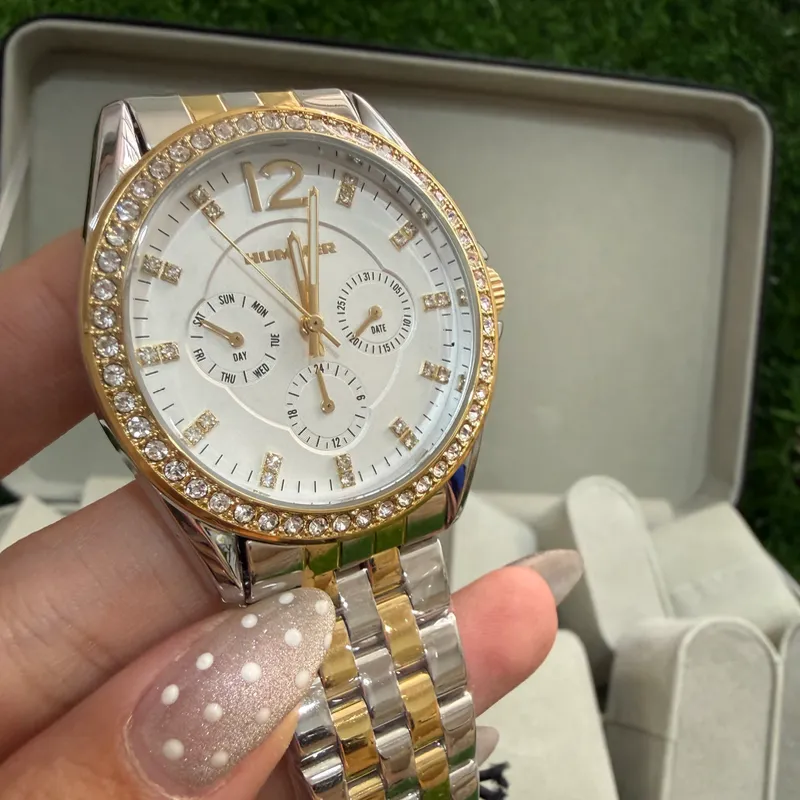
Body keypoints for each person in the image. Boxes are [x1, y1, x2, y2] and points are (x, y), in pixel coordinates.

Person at [0, 231, 583, 798]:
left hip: (392, 473)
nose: (312, 324)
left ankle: (421, 768)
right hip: (263, 530)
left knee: (414, 695)